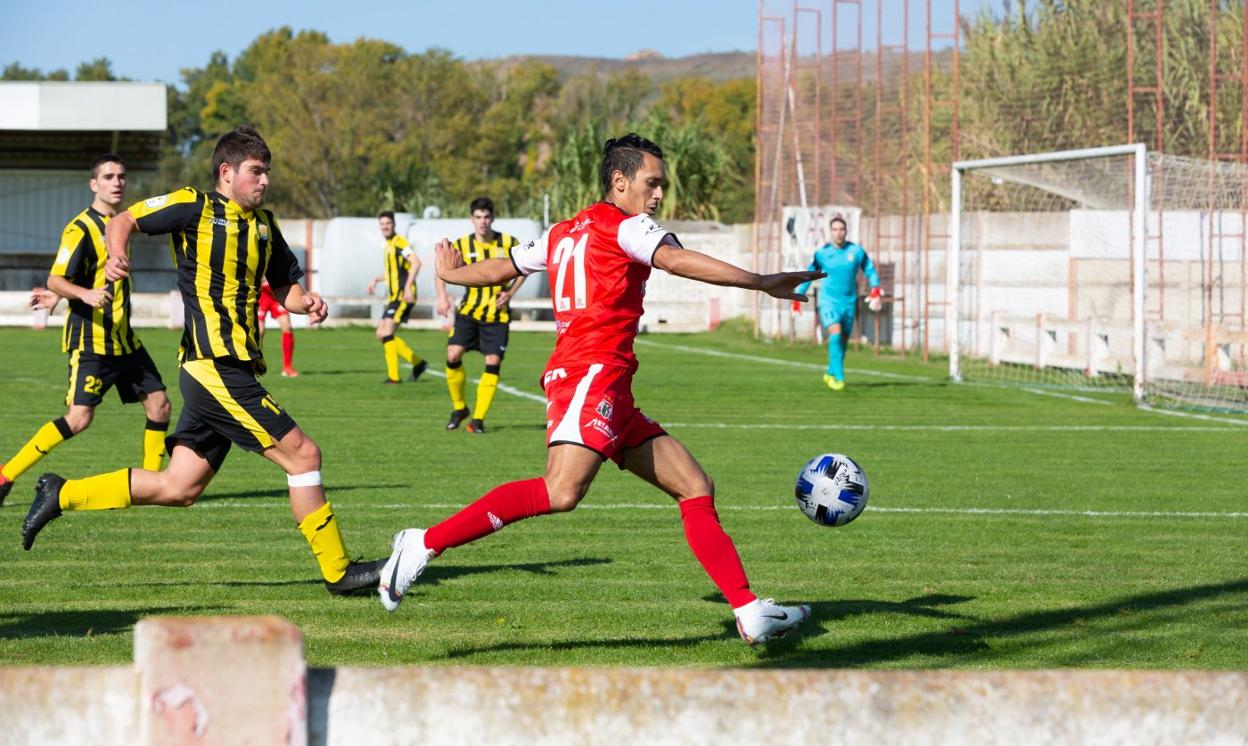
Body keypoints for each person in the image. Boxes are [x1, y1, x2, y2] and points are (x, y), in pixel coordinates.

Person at [379, 134, 824, 645]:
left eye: (662, 186)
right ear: (620, 182)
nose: (658, 195)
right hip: (591, 375)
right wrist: (761, 282)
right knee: (561, 491)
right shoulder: (628, 227)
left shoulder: (562, 231)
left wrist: (453, 272)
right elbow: (676, 262)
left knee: (694, 487)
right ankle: (422, 544)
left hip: (611, 383)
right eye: (651, 184)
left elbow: (504, 266)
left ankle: (749, 611)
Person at [21, 126, 382, 595]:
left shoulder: (265, 226)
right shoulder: (195, 205)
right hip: (213, 364)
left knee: (179, 487)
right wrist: (115, 256)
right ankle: (338, 571)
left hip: (228, 369)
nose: (264, 181)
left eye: (267, 172)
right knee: (304, 455)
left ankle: (61, 492)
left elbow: (285, 288)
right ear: (227, 172)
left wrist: (306, 302)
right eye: (256, 172)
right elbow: (123, 220)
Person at [0, 154, 171, 507]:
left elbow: (77, 278)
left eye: (122, 176)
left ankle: (152, 487)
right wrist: (78, 294)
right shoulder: (80, 228)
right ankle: (4, 476)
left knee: (160, 406)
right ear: (94, 184)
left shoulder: (123, 223)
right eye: (108, 176)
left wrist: (60, 295)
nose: (117, 182)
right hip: (92, 341)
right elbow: (56, 277)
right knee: (78, 419)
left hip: (124, 340)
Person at [435, 197, 525, 433]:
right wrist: (442, 296)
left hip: (497, 316)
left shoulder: (509, 242)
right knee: (453, 354)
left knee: (493, 361)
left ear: (492, 218)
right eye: (478, 217)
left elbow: (526, 267)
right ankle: (459, 407)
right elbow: (441, 269)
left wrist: (510, 293)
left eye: (486, 217)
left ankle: (478, 419)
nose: (482, 222)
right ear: (471, 219)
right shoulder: (462, 244)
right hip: (468, 313)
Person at [793, 216, 882, 390]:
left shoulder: (856, 251)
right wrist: (798, 296)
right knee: (835, 333)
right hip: (829, 301)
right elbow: (810, 274)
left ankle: (830, 372)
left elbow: (870, 270)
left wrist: (875, 288)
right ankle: (839, 378)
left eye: (841, 229)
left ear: (846, 231)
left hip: (849, 302)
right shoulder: (822, 253)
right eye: (835, 229)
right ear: (830, 232)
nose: (838, 232)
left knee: (842, 341)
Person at [367, 211, 427, 384]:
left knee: (386, 332)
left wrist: (408, 287)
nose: (385, 226)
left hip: (403, 296)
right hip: (394, 297)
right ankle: (418, 363)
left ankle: (394, 377)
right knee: (381, 334)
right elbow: (391, 272)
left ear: (393, 224)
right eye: (382, 224)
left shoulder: (399, 242)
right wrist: (376, 280)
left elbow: (416, 262)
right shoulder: (388, 244)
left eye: (388, 223)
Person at [257, 280, 299, 377]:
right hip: (262, 296)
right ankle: (256, 363)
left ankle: (287, 367)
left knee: (287, 326)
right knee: (260, 330)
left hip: (276, 296)